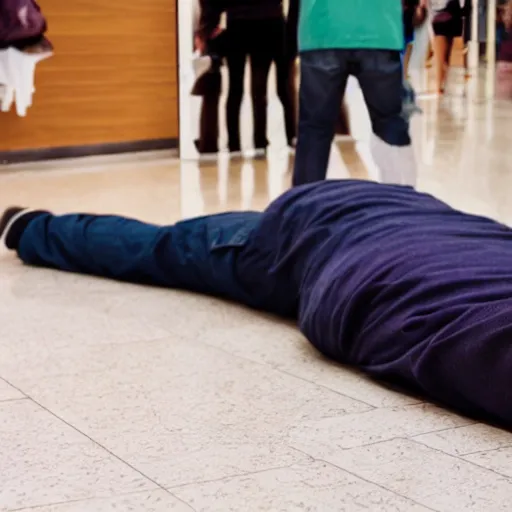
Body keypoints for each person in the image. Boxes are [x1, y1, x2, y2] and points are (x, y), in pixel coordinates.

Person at [3, 179, 512, 428]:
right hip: (312, 233)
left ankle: (34, 226)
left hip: (407, 214)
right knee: (167, 249)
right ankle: (35, 229)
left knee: (182, 243)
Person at [292, 0, 417, 188]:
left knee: (314, 131)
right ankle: (403, 203)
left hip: (322, 25)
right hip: (379, 26)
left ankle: (303, 210)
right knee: (390, 126)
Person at [195, 0, 296, 155]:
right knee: (260, 88)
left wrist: (207, 27)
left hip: (238, 24)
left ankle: (234, 143)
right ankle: (260, 141)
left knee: (236, 88)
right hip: (268, 23)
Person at [431, 0, 465, 94]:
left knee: (441, 55)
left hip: (442, 14)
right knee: (445, 54)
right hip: (452, 13)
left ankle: (440, 85)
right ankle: (441, 83)